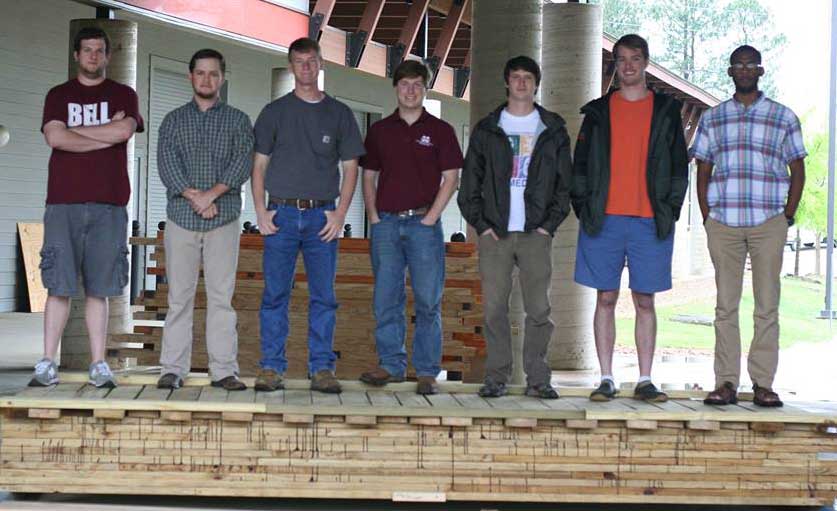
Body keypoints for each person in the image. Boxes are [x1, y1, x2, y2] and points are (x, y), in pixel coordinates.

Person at [571, 34, 688, 403]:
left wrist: (668, 211)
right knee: (604, 298)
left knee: (645, 301)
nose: (628, 65)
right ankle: (605, 377)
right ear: (615, 65)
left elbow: (678, 169)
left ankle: (645, 379)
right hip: (603, 220)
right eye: (621, 59)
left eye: (635, 58)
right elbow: (580, 169)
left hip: (649, 220)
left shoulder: (667, 112)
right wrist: (585, 208)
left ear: (646, 62)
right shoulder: (597, 112)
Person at [692, 45, 806, 408]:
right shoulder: (714, 118)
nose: (743, 70)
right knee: (725, 306)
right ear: (730, 72)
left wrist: (787, 214)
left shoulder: (782, 117)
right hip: (724, 223)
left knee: (767, 305)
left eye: (749, 65)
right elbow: (704, 168)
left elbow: (797, 169)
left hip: (767, 222)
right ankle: (725, 382)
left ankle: (763, 384)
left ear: (760, 70)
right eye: (737, 65)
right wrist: (708, 216)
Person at [31, 27, 144, 388]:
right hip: (62, 203)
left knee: (100, 288)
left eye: (99, 50)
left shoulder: (123, 93)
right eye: (87, 50)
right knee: (58, 287)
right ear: (76, 56)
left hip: (109, 205)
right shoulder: (59, 95)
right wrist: (104, 131)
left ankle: (98, 363)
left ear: (108, 56)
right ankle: (47, 361)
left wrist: (78, 136)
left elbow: (123, 133)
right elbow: (54, 137)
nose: (93, 56)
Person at [252, 37, 365, 394]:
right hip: (281, 215)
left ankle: (322, 370)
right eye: (299, 62)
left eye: (312, 61)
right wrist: (259, 210)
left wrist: (340, 214)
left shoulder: (340, 114)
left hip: (322, 219)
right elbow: (259, 166)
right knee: (274, 296)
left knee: (323, 297)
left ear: (320, 66)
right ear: (291, 66)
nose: (305, 67)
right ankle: (271, 368)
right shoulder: (274, 113)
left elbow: (351, 169)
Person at [458, 55, 572, 399]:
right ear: (507, 82)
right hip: (497, 233)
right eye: (516, 77)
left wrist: (548, 226)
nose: (522, 83)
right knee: (494, 308)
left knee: (539, 310)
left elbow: (564, 185)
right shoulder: (488, 128)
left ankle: (538, 378)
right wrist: (482, 225)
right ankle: (497, 377)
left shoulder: (552, 129)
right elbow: (470, 185)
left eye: (528, 78)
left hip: (535, 232)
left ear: (536, 84)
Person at [359, 60, 463, 395]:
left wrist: (431, 217)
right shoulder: (379, 131)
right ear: (395, 88)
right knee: (386, 298)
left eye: (418, 84)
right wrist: (373, 217)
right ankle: (391, 365)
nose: (411, 90)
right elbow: (369, 176)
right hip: (386, 225)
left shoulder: (441, 131)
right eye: (405, 84)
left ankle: (427, 372)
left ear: (426, 88)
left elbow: (451, 178)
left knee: (427, 301)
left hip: (424, 227)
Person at [155, 49, 254, 391]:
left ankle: (224, 371)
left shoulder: (238, 121)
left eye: (213, 74)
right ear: (190, 77)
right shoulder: (172, 121)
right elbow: (167, 166)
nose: (207, 79)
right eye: (200, 73)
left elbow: (242, 164)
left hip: (223, 220)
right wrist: (195, 197)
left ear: (222, 78)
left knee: (220, 298)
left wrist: (211, 195)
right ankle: (173, 369)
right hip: (181, 218)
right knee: (179, 298)